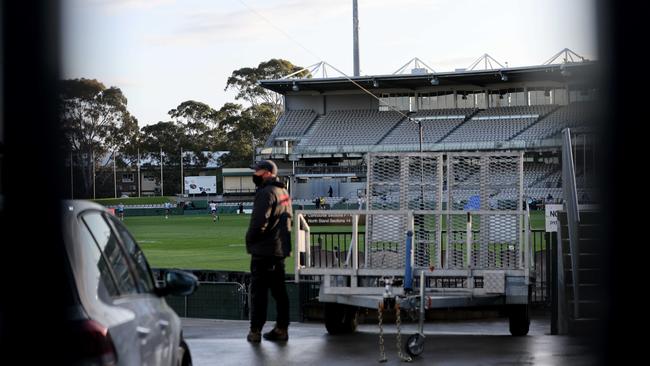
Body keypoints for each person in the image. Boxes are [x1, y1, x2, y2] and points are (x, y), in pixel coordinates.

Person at [246, 160, 292, 343]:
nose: (254, 174)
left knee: (259, 293)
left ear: (266, 173)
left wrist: (250, 239)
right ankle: (282, 329)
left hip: (264, 251)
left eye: (257, 171)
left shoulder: (266, 192)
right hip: (279, 250)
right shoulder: (283, 192)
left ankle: (255, 330)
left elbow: (259, 222)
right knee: (280, 292)